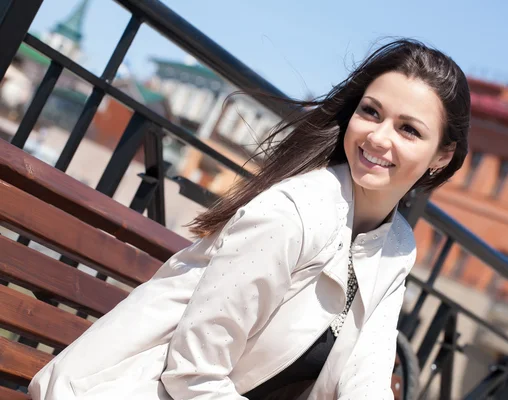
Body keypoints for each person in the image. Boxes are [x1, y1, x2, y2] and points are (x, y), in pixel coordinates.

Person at [29, 38, 470, 400]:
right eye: (371, 112)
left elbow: (366, 377)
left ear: (442, 157)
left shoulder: (394, 246)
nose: (378, 136)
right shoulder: (293, 213)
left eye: (408, 129)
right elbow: (193, 374)